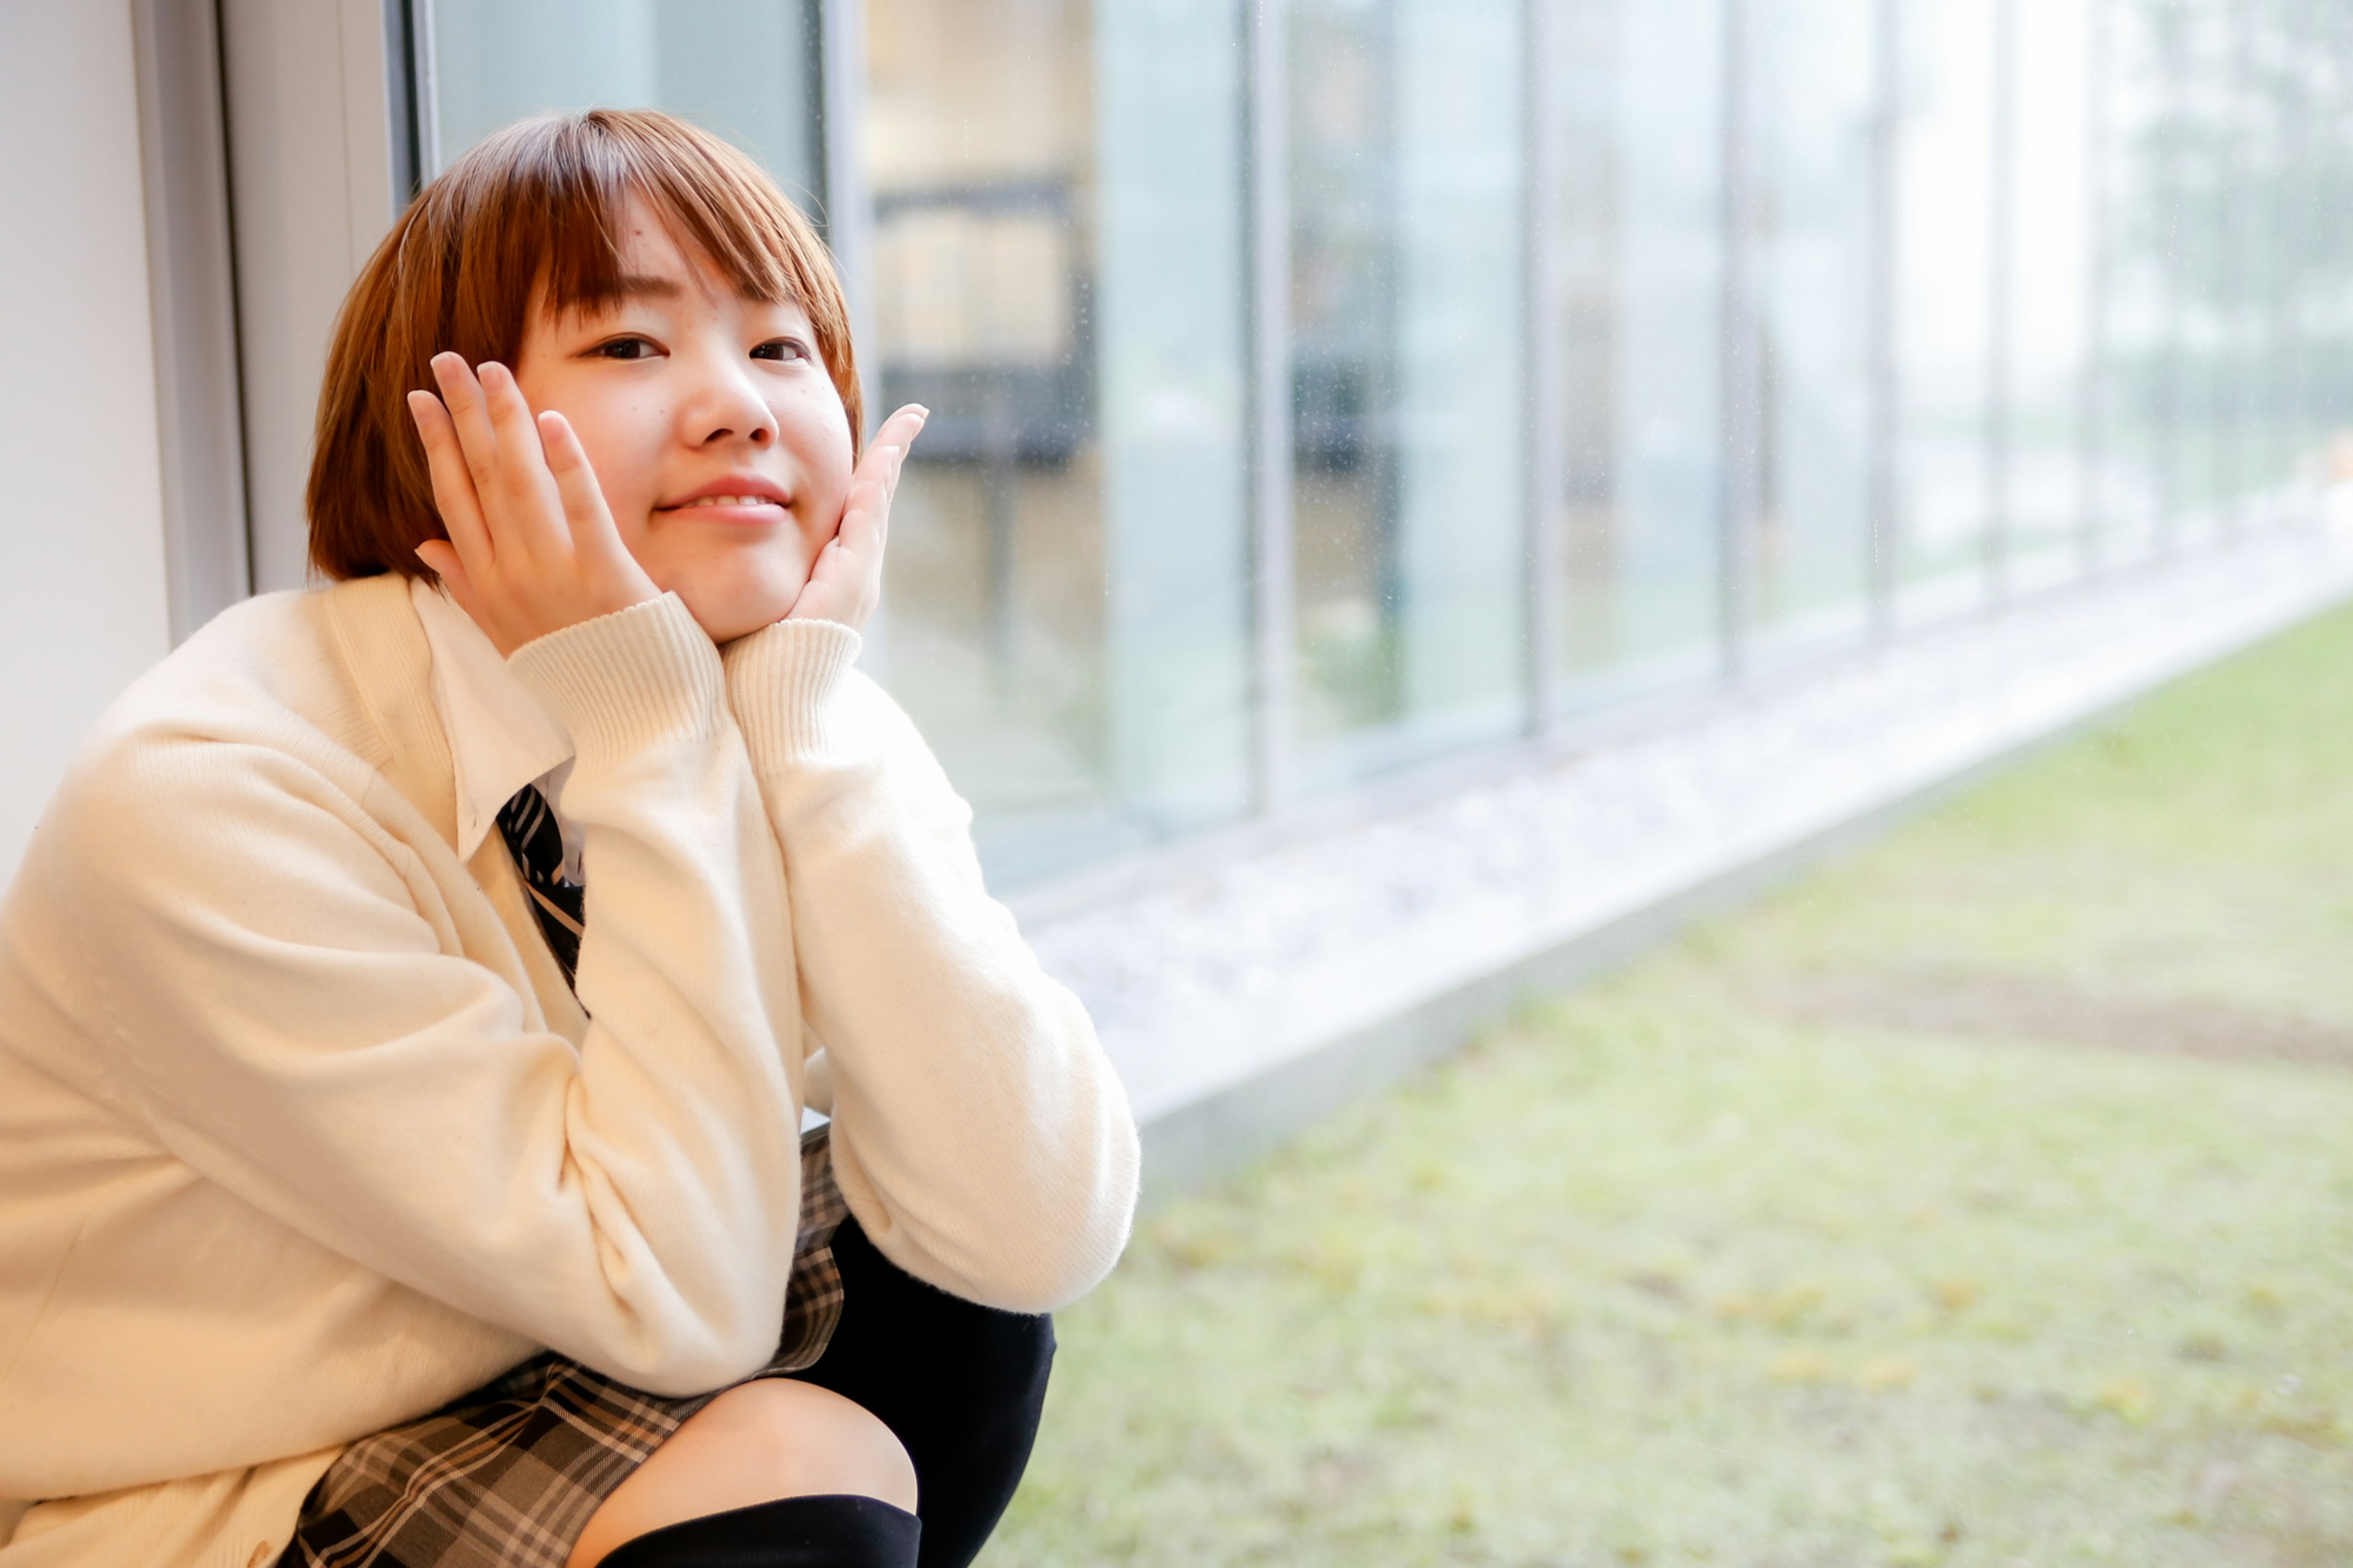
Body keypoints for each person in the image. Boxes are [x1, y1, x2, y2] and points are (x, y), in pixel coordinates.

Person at [0, 108, 1139, 1568]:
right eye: (630, 346)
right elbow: (685, 1299)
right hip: (211, 1483)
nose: (737, 405)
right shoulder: (218, 792)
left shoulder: (743, 694)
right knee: (800, 1467)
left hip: (523, 1337)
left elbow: (1030, 1224)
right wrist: (651, 736)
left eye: (782, 347)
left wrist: (811, 726)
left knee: (938, 1264)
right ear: (440, 431)